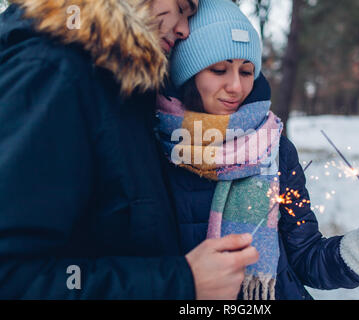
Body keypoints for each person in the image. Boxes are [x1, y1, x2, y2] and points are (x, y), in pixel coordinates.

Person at [156, 0, 359, 300]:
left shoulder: (274, 148)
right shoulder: (152, 145)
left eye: (247, 72)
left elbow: (305, 256)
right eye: (219, 70)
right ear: (187, 73)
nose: (235, 86)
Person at [0, 0, 259, 299]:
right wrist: (181, 283)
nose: (185, 29)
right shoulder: (53, 73)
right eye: (182, 7)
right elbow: (12, 276)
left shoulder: (125, 91)